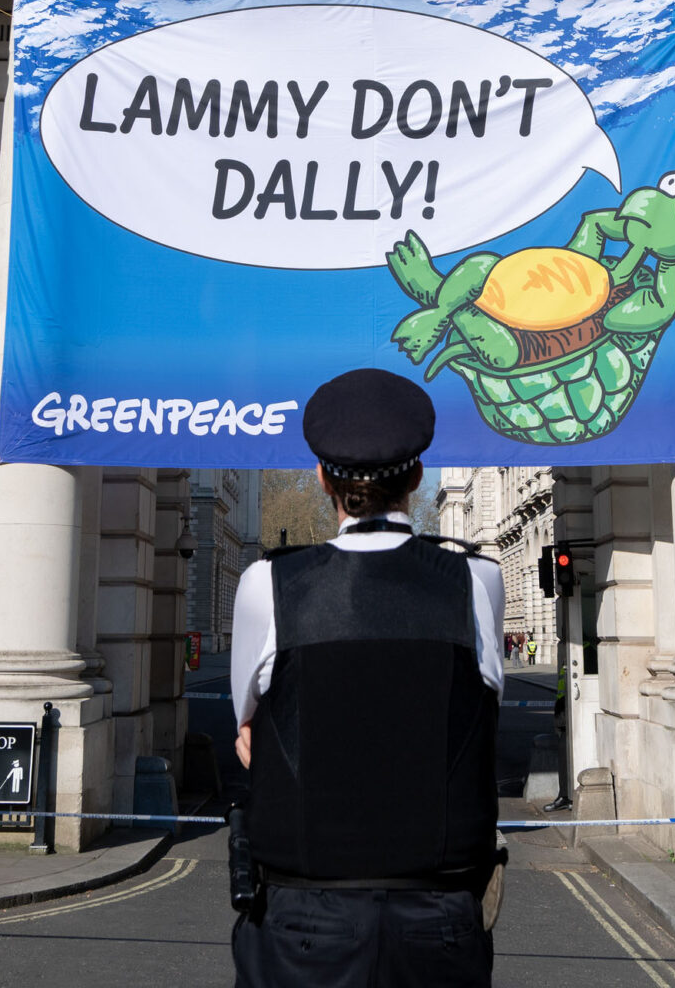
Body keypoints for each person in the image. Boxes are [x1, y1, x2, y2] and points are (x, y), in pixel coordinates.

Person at [230, 368, 506, 987]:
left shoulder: (267, 585)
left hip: (304, 923)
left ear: (323, 478)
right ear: (416, 476)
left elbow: (247, 728)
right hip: (439, 920)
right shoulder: (477, 581)